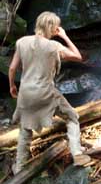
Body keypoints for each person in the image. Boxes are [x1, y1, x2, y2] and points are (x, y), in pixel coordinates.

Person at [8, 11, 90, 174]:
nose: (58, 30)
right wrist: (65, 37)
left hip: (26, 93)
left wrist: (12, 86)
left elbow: (12, 68)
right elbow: (78, 56)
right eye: (56, 27)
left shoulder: (22, 42)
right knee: (72, 117)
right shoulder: (54, 46)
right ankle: (77, 153)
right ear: (51, 28)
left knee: (25, 129)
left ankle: (19, 167)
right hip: (46, 93)